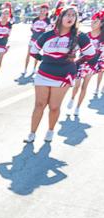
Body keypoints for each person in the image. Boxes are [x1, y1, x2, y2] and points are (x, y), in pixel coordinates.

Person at [26, 6, 95, 143]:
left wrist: (76, 63)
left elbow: (91, 54)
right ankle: (32, 133)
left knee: (54, 106)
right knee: (39, 104)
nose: (70, 18)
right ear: (60, 17)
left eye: (73, 15)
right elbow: (33, 51)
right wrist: (44, 60)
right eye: (67, 15)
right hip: (44, 73)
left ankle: (50, 131)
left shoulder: (80, 36)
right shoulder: (47, 35)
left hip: (63, 76)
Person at [66, 11, 102, 116]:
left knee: (84, 87)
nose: (92, 24)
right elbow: (77, 48)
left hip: (91, 65)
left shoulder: (102, 38)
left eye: (95, 22)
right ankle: (72, 98)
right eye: (92, 21)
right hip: (81, 63)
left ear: (101, 24)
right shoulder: (85, 35)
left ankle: (77, 107)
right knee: (76, 85)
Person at [24, 3, 51, 76]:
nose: (42, 12)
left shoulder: (48, 21)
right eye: (41, 10)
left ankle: (34, 69)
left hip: (40, 42)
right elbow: (32, 28)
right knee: (28, 54)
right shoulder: (35, 19)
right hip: (33, 39)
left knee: (36, 55)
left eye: (44, 10)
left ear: (47, 11)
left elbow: (48, 31)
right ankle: (25, 69)